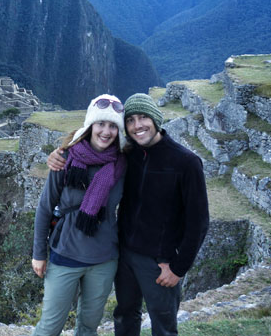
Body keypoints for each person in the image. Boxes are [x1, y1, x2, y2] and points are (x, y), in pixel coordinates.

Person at [47, 93, 209, 336]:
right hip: (124, 255)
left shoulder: (185, 162)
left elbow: (199, 221)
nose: (137, 126)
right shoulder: (128, 156)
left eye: (143, 118)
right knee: (124, 316)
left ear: (156, 119)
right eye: (131, 120)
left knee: (163, 325)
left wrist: (178, 268)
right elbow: (90, 147)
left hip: (159, 261)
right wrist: (56, 155)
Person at [32, 94, 127, 336]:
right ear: (90, 126)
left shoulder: (123, 164)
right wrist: (38, 254)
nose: (106, 132)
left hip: (104, 259)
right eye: (101, 124)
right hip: (65, 254)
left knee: (88, 327)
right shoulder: (65, 158)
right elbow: (45, 207)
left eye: (113, 126)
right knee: (49, 327)